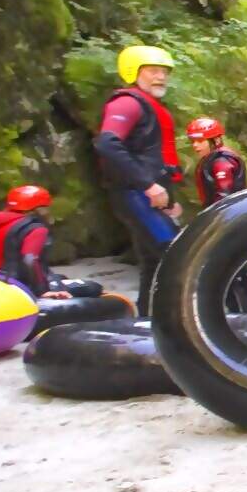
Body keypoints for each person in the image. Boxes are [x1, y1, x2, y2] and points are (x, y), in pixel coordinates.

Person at [93, 45, 184, 315]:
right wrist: (148, 185)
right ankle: (171, 324)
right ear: (134, 73)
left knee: (153, 263)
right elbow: (108, 144)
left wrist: (169, 198)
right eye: (153, 71)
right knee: (173, 256)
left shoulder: (149, 106)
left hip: (149, 194)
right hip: (135, 193)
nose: (161, 77)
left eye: (164, 72)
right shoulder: (127, 103)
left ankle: (148, 323)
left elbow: (156, 159)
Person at [186, 117, 247, 313]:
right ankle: (236, 314)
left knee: (235, 273)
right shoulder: (213, 160)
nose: (196, 145)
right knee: (228, 274)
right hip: (227, 223)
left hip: (231, 224)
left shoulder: (221, 163)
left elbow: (223, 196)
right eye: (193, 141)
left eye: (200, 141)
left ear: (215, 140)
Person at [0, 185, 102, 299]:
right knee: (93, 287)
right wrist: (42, 292)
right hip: (20, 285)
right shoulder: (36, 229)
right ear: (38, 209)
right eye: (46, 207)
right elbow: (29, 259)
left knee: (59, 277)